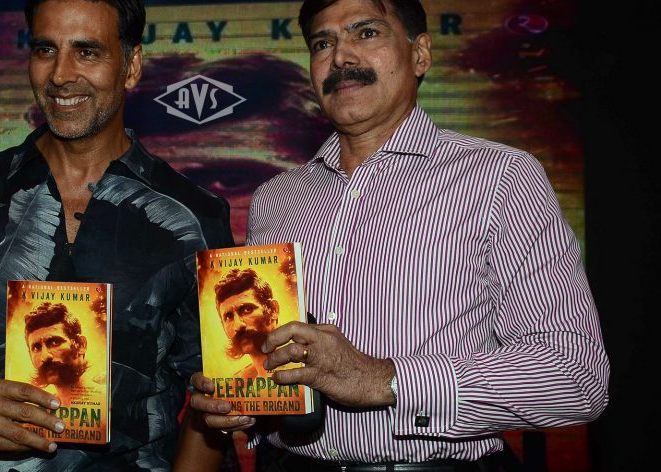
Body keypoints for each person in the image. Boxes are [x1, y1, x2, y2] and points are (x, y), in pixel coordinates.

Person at [178, 0, 610, 471]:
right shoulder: (276, 198)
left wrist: (386, 380)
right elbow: (274, 372)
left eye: (366, 33)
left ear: (420, 54)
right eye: (322, 43)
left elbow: (577, 377)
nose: (341, 56)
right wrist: (242, 403)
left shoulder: (500, 177)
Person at [0, 0, 234, 470]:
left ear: (131, 66)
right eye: (46, 49)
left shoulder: (193, 216)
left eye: (87, 52)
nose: (61, 75)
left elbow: (215, 387)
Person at [23, 302, 101, 405]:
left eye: (55, 342)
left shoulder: (107, 400)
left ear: (81, 345)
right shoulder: (39, 411)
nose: (45, 357)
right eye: (36, 348)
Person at [214, 268, 280, 378]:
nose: (238, 326)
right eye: (229, 317)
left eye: (247, 310)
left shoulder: (302, 364)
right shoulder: (236, 384)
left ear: (273, 310)